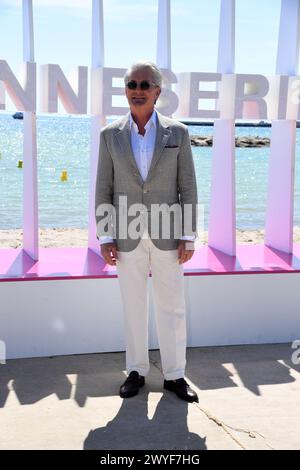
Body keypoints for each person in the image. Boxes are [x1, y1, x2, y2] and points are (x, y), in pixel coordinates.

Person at [95, 61, 198, 402]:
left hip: (169, 235)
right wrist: (106, 236)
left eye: (144, 84)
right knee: (133, 305)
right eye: (131, 84)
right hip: (126, 236)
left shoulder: (178, 133)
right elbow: (103, 188)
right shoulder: (110, 135)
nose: (137, 90)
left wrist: (189, 234)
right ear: (125, 90)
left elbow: (188, 187)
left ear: (158, 91)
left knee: (172, 305)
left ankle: (175, 375)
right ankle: (136, 371)